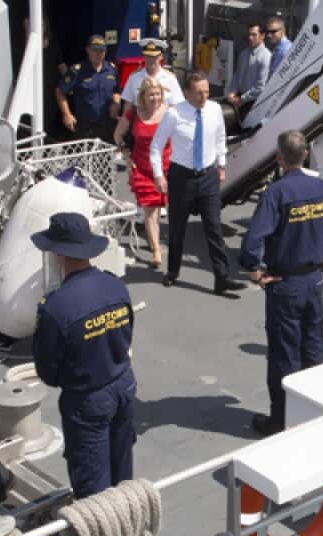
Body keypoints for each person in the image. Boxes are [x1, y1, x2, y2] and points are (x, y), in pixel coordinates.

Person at [240, 131, 323, 436]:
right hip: (314, 282)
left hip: (285, 285)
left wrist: (255, 273)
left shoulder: (276, 194)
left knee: (284, 356)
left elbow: (251, 243)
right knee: (312, 351)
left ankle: (281, 421)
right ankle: (312, 417)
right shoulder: (321, 188)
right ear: (305, 155)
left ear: (279, 158)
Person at [31, 214, 137, 499]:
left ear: (58, 254)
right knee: (123, 471)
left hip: (88, 398)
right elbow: (126, 336)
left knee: (93, 487)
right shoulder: (115, 286)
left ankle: (102, 528)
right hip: (123, 384)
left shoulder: (56, 307)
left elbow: (48, 372)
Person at [151, 73, 248, 295]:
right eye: (198, 92)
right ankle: (173, 271)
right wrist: (158, 175)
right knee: (177, 228)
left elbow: (220, 137)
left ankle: (222, 278)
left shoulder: (214, 109)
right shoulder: (174, 114)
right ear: (186, 93)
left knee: (214, 227)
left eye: (206, 91)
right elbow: (156, 146)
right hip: (181, 177)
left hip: (208, 176)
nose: (204, 96)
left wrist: (221, 165)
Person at [114, 77, 170, 269]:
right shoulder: (133, 114)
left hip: (167, 167)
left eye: (158, 94)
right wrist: (126, 156)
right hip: (142, 168)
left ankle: (157, 242)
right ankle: (156, 249)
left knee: (160, 206)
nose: (155, 98)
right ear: (143, 96)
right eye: (151, 95)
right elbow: (118, 135)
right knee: (150, 209)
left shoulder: (169, 113)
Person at [55, 35, 121, 143]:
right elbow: (60, 91)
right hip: (85, 127)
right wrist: (66, 115)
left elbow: (117, 90)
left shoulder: (112, 69)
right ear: (88, 50)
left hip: (108, 125)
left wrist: (116, 103)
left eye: (101, 51)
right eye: (95, 50)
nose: (98, 54)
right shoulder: (77, 71)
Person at [121, 38, 183, 109]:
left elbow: (177, 105)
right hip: (140, 115)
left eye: (154, 56)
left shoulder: (170, 78)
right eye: (148, 56)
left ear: (161, 57)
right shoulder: (134, 78)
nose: (151, 60)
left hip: (164, 115)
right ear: (143, 56)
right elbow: (128, 105)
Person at [226, 23, 271, 112]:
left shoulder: (266, 57)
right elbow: (237, 76)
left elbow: (261, 86)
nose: (250, 37)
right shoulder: (243, 54)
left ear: (262, 36)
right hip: (237, 98)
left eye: (254, 35)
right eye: (249, 34)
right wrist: (232, 92)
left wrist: (242, 99)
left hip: (253, 103)